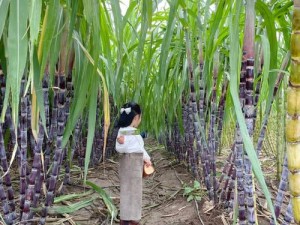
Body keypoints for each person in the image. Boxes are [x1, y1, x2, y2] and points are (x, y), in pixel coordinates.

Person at [115, 102, 152, 225]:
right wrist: (147, 159)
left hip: (128, 163)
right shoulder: (127, 132)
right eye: (140, 117)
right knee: (133, 191)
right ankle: (130, 218)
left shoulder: (126, 132)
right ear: (136, 118)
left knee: (128, 190)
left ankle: (127, 218)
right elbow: (132, 148)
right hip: (133, 162)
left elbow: (137, 148)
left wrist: (146, 158)